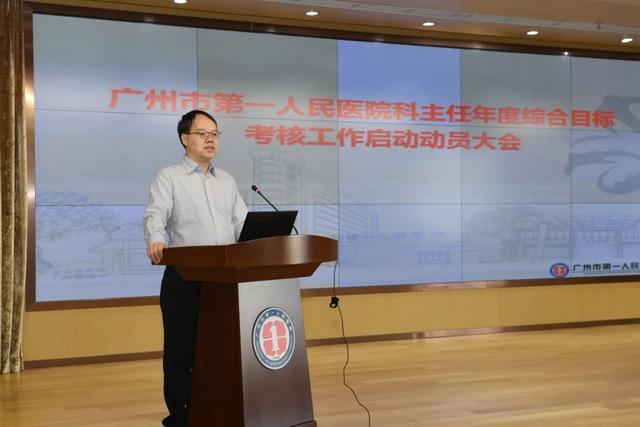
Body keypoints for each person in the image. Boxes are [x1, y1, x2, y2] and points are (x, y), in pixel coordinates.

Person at [144, 110, 248, 427]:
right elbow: (156, 214)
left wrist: (263, 242)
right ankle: (181, 416)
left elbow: (243, 224)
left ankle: (217, 409)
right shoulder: (169, 177)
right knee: (181, 351)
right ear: (184, 138)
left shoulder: (226, 180)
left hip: (224, 280)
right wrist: (156, 239)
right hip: (185, 277)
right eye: (202, 133)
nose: (210, 139)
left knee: (221, 349)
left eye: (214, 134)